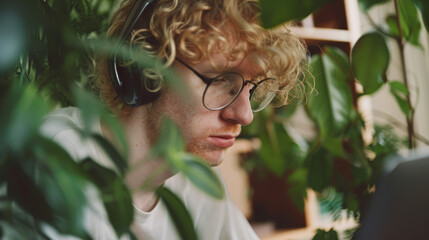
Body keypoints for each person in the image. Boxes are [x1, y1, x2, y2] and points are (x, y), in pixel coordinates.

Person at [42, 0, 307, 239]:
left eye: (252, 87)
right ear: (144, 68)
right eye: (220, 80)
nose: (244, 115)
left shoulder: (200, 184)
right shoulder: (54, 160)